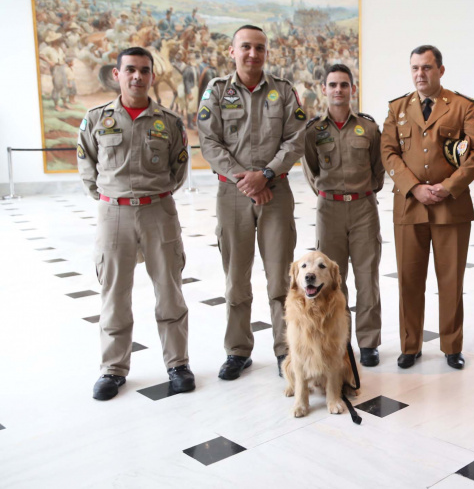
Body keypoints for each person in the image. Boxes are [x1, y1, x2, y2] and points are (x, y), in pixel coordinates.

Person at [77, 47, 194, 400]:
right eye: (130, 69)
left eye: (144, 70)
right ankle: (113, 369)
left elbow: (178, 169)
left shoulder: (169, 122)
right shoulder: (96, 119)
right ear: (117, 74)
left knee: (170, 292)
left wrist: (153, 194)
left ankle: (178, 364)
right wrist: (111, 197)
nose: (137, 76)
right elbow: (87, 167)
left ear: (152, 76)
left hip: (159, 211)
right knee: (114, 294)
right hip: (114, 215)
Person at [198, 25, 308, 381]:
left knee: (281, 279)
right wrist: (246, 180)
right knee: (236, 279)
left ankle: (285, 349)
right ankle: (238, 351)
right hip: (233, 194)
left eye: (260, 48)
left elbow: (296, 139)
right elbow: (209, 142)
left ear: (266, 53)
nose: (253, 54)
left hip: (276, 192)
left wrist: (266, 174)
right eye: (246, 47)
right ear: (232, 51)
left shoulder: (284, 91)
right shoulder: (217, 91)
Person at [380, 45, 474, 370]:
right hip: (410, 206)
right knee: (409, 280)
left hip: (450, 207)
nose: (420, 74)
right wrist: (414, 187)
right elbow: (388, 151)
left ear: (440, 70)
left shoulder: (462, 106)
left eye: (426, 67)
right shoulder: (398, 108)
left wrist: (449, 186)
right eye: (415, 68)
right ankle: (410, 345)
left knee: (451, 281)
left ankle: (452, 346)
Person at [302, 63, 385, 367]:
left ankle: (369, 342)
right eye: (333, 85)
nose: (338, 90)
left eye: (344, 84)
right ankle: (340, 339)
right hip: (329, 210)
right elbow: (311, 170)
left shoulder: (369, 128)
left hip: (364, 208)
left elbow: (378, 170)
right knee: (331, 280)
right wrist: (330, 194)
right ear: (324, 89)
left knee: (367, 278)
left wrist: (361, 192)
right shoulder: (313, 131)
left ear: (353, 89)